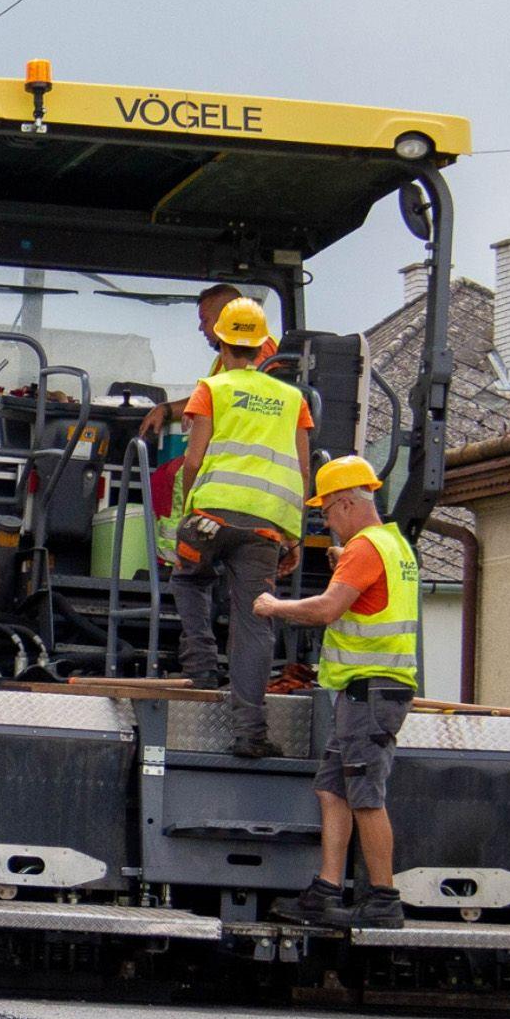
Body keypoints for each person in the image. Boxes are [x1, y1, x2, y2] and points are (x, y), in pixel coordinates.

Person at [253, 456, 421, 928]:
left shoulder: (365, 548)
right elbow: (366, 598)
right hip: (361, 691)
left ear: (347, 503)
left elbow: (328, 609)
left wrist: (274, 605)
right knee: (333, 789)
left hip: (372, 692)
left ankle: (384, 898)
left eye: (326, 511)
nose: (325, 521)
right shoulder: (393, 545)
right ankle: (326, 890)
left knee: (366, 793)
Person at [166, 297, 312, 758]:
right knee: (254, 624)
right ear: (263, 346)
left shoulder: (211, 388)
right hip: (267, 530)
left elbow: (192, 458)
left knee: (188, 578)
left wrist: (191, 506)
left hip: (210, 519)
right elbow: (304, 472)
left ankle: (203, 668)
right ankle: (250, 733)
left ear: (224, 342)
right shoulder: (295, 400)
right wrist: (294, 535)